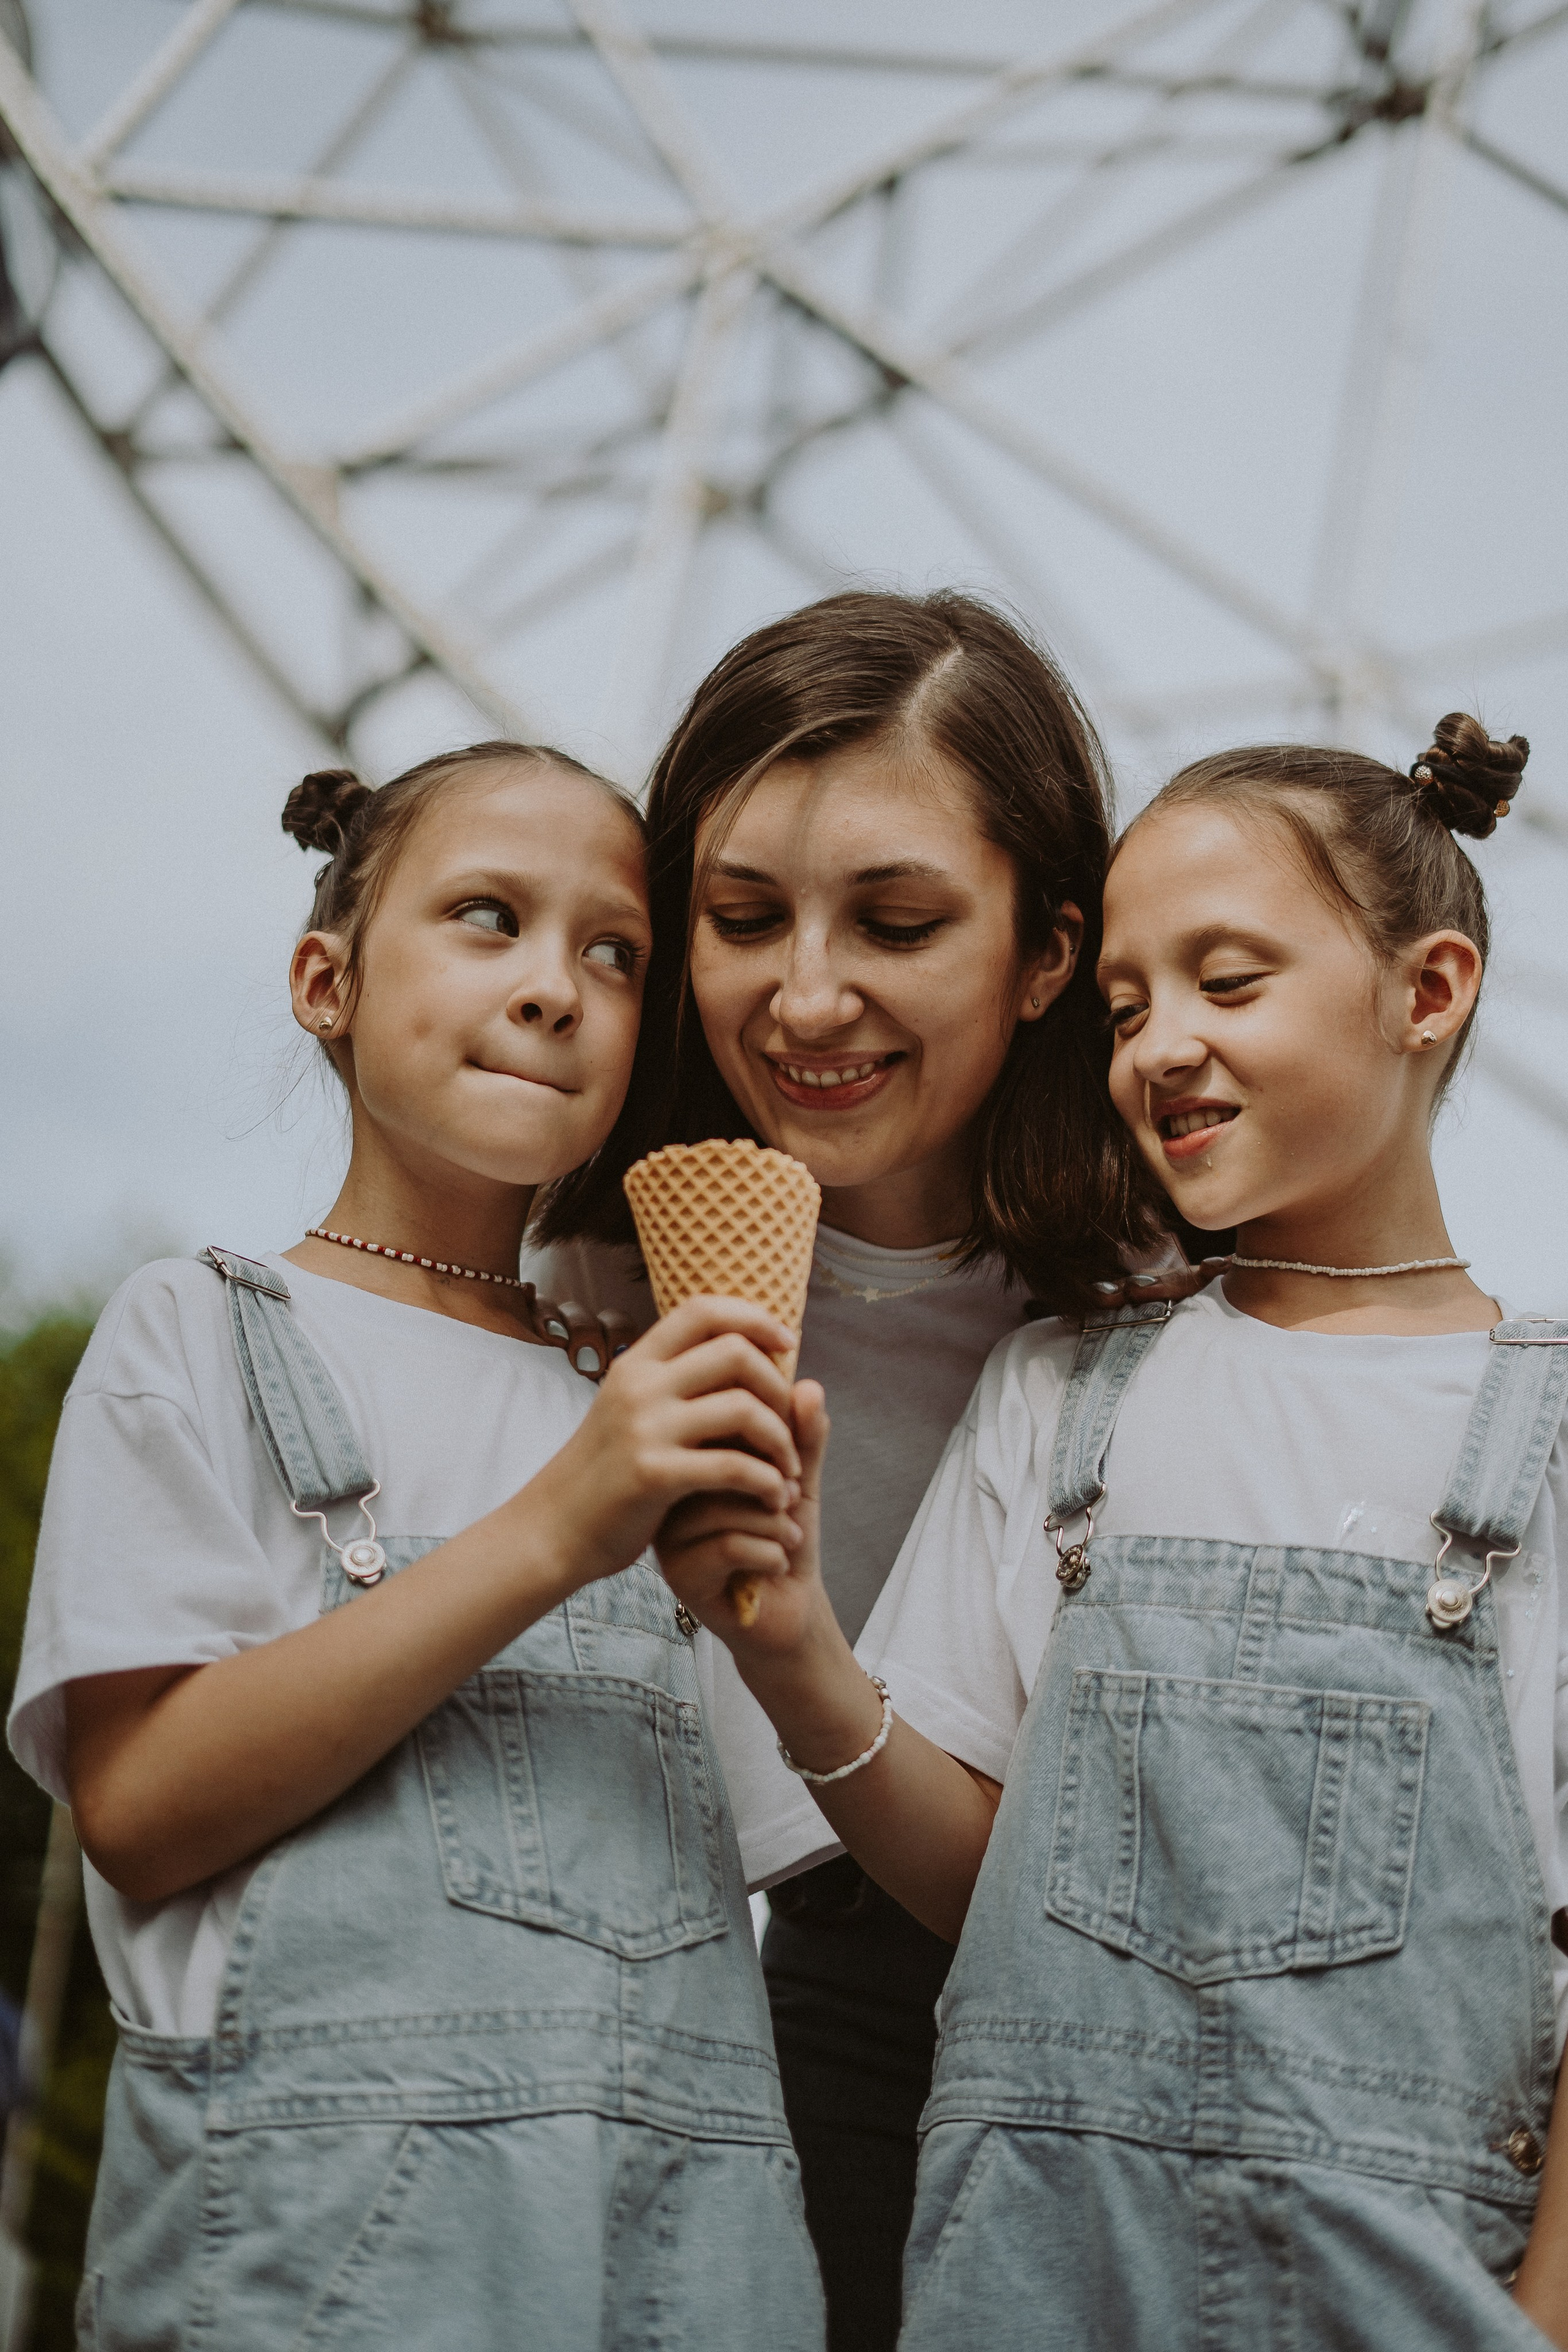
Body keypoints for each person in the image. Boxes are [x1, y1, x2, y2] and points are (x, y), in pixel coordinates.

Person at [657, 713, 1568, 2348]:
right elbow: (981, 1884)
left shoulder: (1547, 1437)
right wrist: (788, 1639)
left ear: (1427, 994)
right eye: (1127, 1008)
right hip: (1030, 2277)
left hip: (1419, 2288)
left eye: (1230, 983)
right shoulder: (1064, 1393)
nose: (1154, 1047)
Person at [7, 742, 824, 2351]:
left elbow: (751, 1892)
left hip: (685, 2254)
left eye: (615, 953)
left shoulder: (650, 1400)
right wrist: (556, 1528)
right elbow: (141, 1812)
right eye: (486, 918)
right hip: (325, 2265)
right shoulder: (202, 1333)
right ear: (327, 980)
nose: (554, 989)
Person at [527, 590, 1182, 2346]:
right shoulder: (573, 1291)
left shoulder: (1180, 1319)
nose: (806, 996)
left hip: (1106, 2086)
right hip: (633, 2056)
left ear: (1049, 955)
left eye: (895, 922)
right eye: (743, 918)